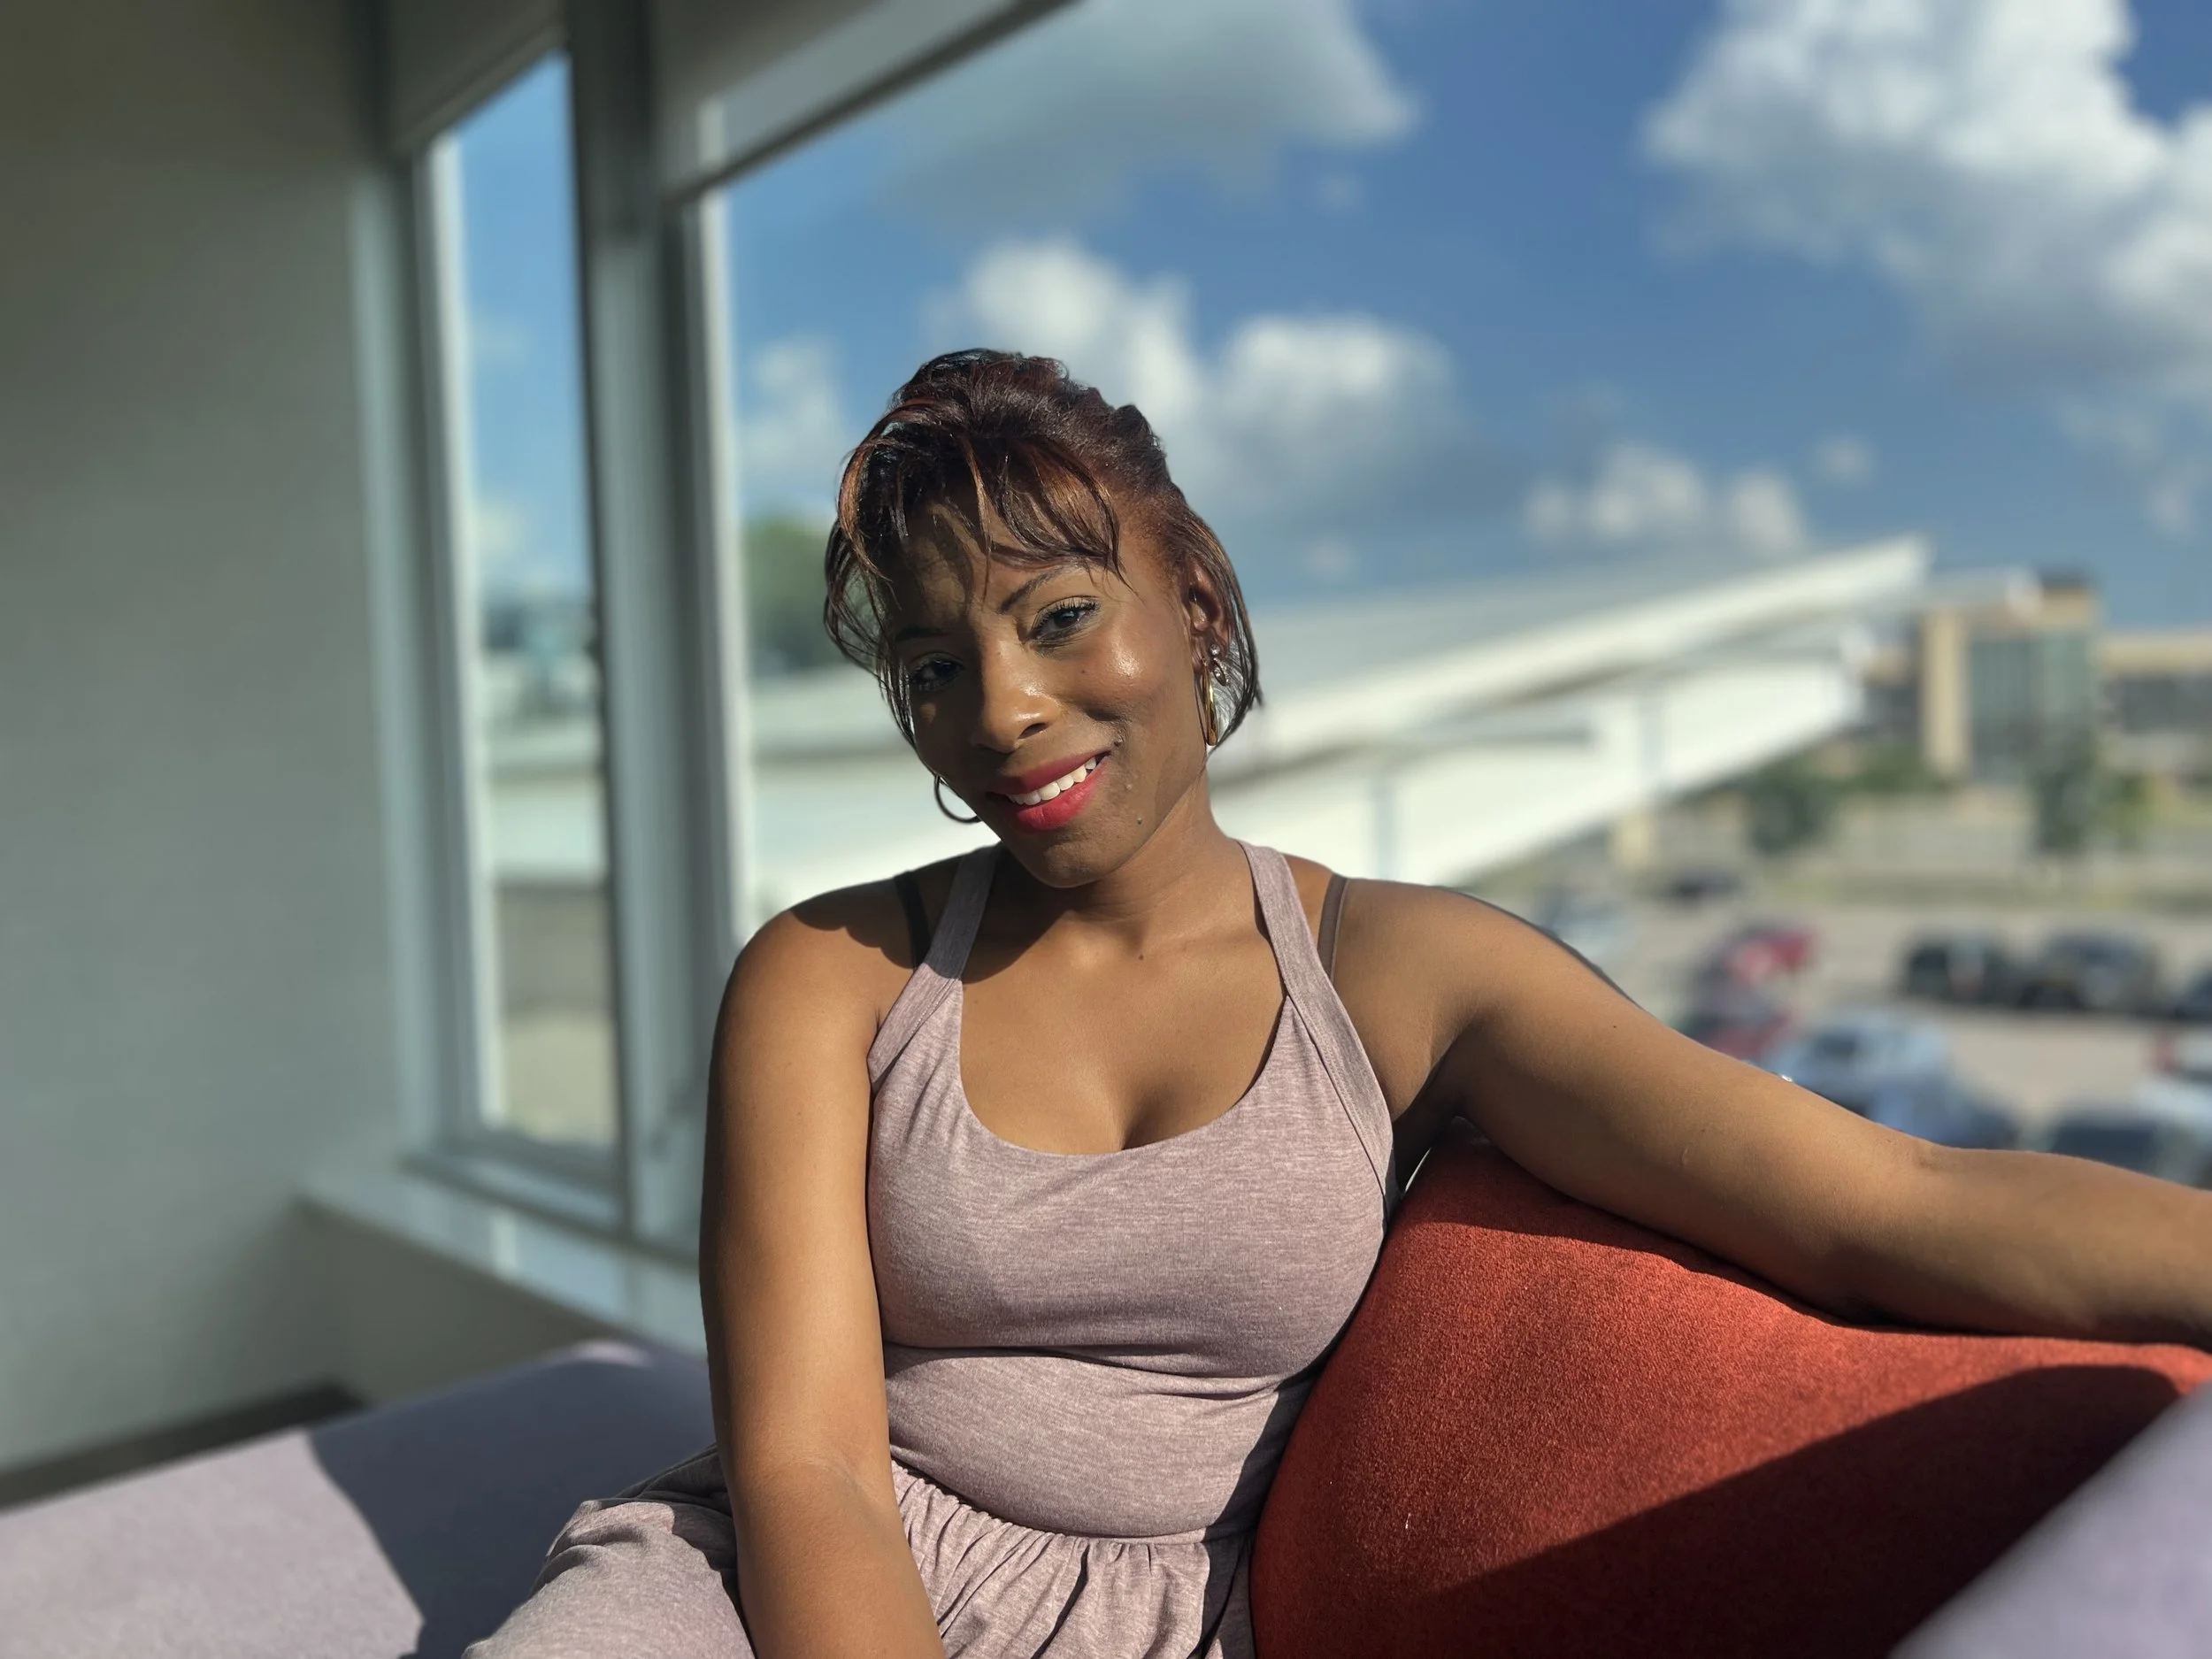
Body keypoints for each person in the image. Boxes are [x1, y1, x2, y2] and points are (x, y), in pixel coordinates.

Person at [470, 350, 2212, 1659]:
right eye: (934, 668)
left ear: (1195, 600)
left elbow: (1878, 1205)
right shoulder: (825, 980)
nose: (999, 709)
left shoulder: (1404, 975)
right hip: (790, 1592)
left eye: (1058, 616)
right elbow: (809, 1470)